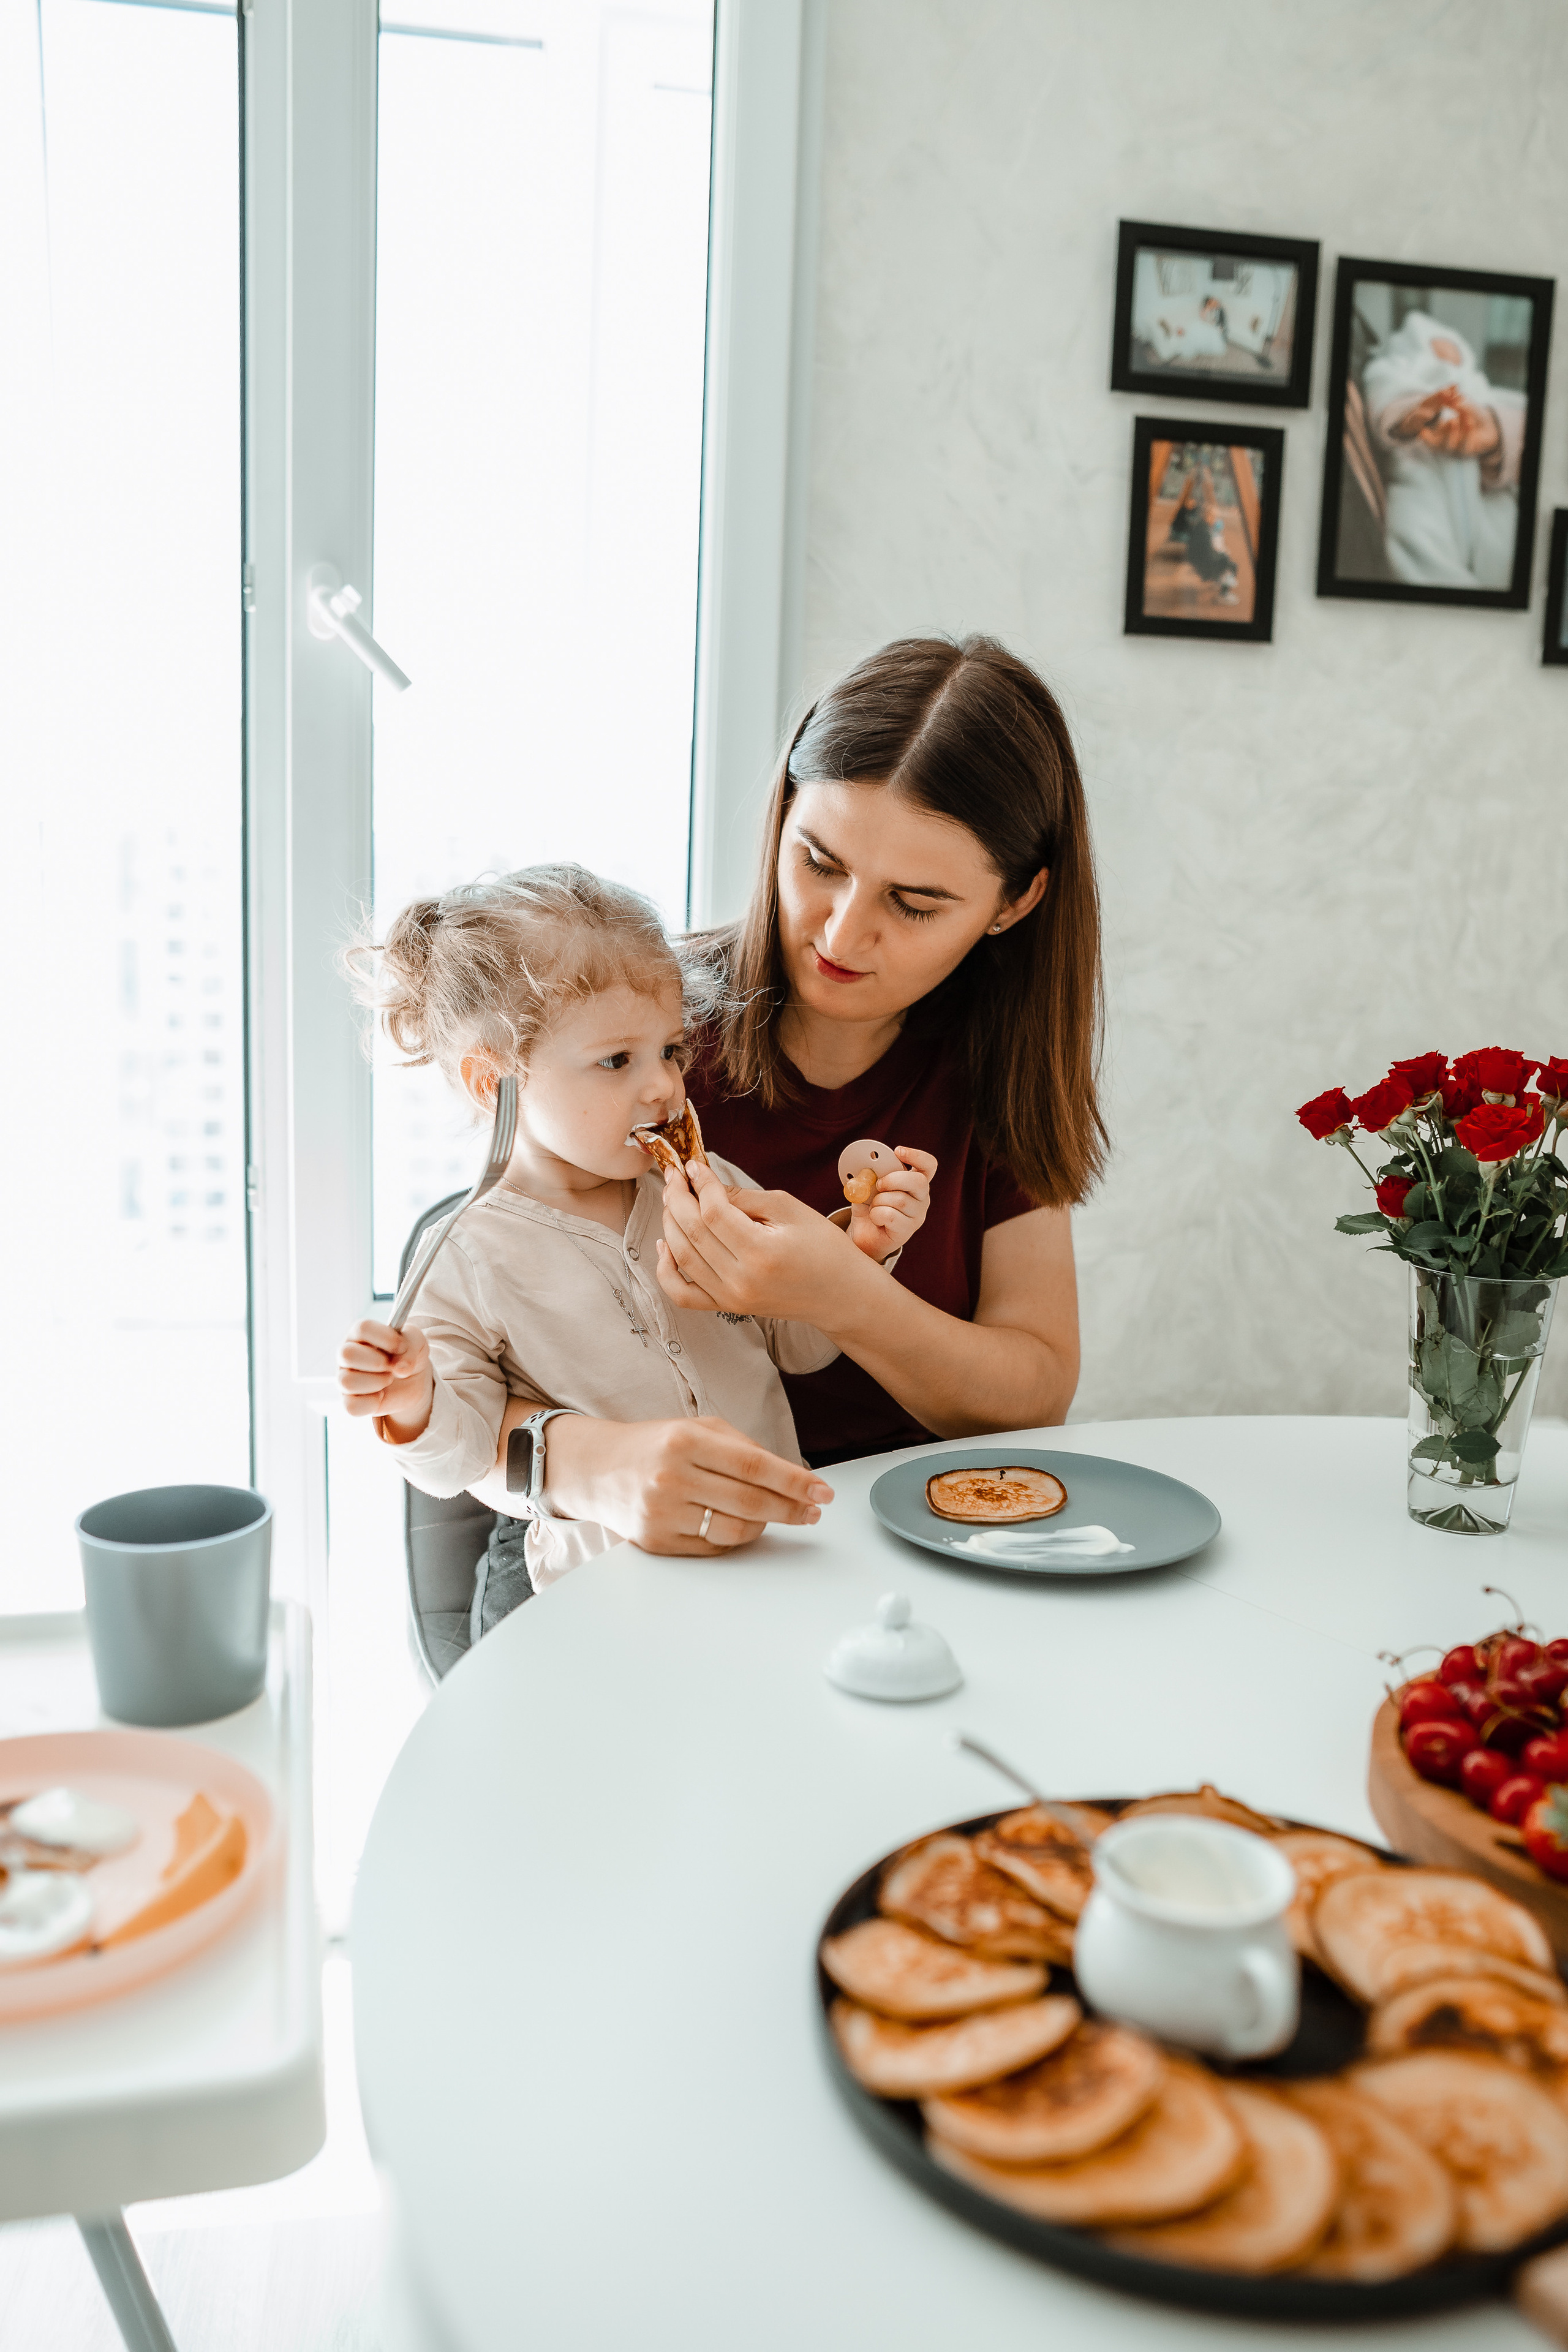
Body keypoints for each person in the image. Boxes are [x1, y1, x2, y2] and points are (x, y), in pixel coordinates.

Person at [477, 635, 1104, 1541]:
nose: (843, 935)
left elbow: (1036, 1390)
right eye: (819, 862)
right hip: (615, 1538)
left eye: (914, 904)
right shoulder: (639, 1031)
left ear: (1015, 902)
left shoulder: (996, 1068)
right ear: (782, 815)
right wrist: (601, 1470)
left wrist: (839, 1295)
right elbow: (457, 1378)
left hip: (899, 1532)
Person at [334, 867, 933, 1608]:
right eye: (617, 1060)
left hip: (777, 1553)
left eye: (671, 1051)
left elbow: (798, 1346)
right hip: (607, 1596)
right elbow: (460, 1456)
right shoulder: (466, 1256)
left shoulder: (708, 1181)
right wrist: (414, 1400)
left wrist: (858, 1254)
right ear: (496, 1085)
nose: (664, 1088)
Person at [1361, 311, 1525, 590]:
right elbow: (1382, 389)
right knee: (1414, 533)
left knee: (1504, 536)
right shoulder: (1402, 370)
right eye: (1437, 349)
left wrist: (1497, 430)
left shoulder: (1479, 387)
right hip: (1419, 468)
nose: (1449, 361)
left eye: (1455, 352)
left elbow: (1536, 419)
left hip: (1483, 492)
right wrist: (1413, 413)